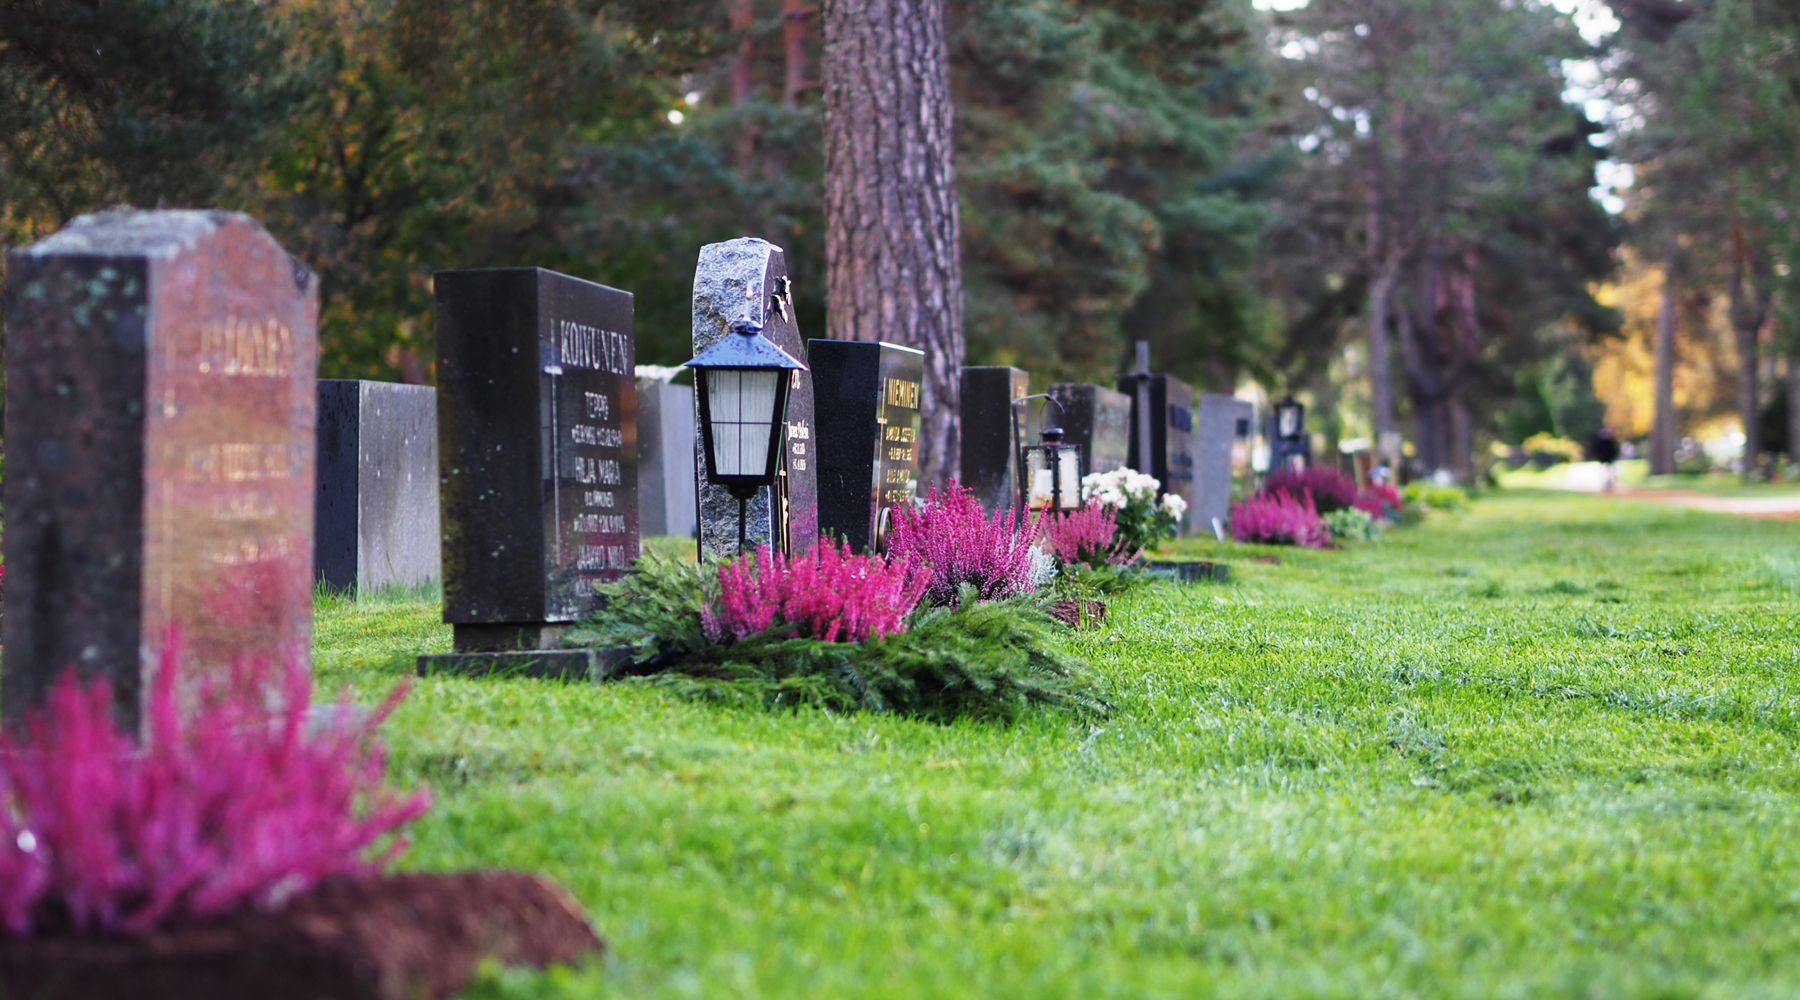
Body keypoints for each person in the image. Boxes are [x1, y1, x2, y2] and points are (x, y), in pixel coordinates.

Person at [1589, 427, 1622, 492]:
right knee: (1606, 469)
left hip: (1607, 457)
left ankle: (1609, 481)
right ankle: (1606, 481)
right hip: (1605, 457)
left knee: (1608, 469)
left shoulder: (1608, 441)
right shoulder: (1604, 441)